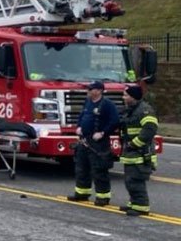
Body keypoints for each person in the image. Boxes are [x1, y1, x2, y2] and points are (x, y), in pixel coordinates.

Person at [67, 80, 119, 206]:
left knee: (99, 169)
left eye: (91, 89)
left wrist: (102, 133)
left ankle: (103, 197)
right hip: (84, 140)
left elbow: (115, 121)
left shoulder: (107, 105)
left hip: (98, 143)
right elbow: (82, 116)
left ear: (99, 91)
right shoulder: (88, 102)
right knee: (82, 168)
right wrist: (78, 127)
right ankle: (82, 193)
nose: (88, 91)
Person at [118, 84, 158, 216]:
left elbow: (150, 129)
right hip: (131, 153)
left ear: (133, 97)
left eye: (126, 95)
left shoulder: (144, 110)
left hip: (141, 153)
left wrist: (134, 144)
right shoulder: (130, 109)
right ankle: (134, 203)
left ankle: (141, 206)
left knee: (136, 180)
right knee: (130, 180)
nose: (123, 97)